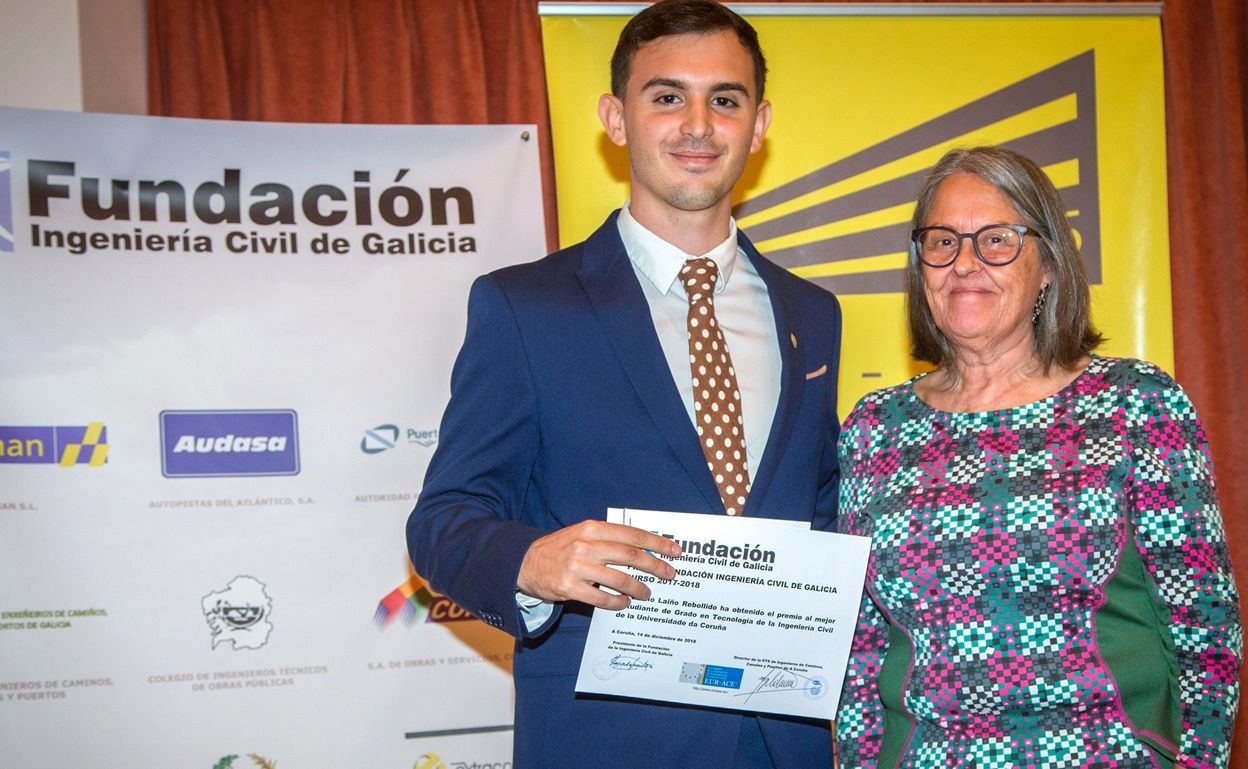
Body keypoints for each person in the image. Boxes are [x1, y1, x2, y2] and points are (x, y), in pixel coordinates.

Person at [406, 2, 843, 768]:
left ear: (759, 121)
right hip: (606, 742)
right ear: (616, 117)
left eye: (726, 99)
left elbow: (819, 512)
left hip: (784, 743)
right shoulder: (526, 307)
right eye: (667, 96)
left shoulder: (813, 313)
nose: (698, 124)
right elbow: (443, 520)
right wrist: (533, 562)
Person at [834, 146, 1241, 769]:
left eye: (996, 240)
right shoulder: (874, 429)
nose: (964, 264)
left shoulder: (1137, 406)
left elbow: (1206, 632)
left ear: (1048, 264)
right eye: (942, 242)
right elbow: (861, 647)